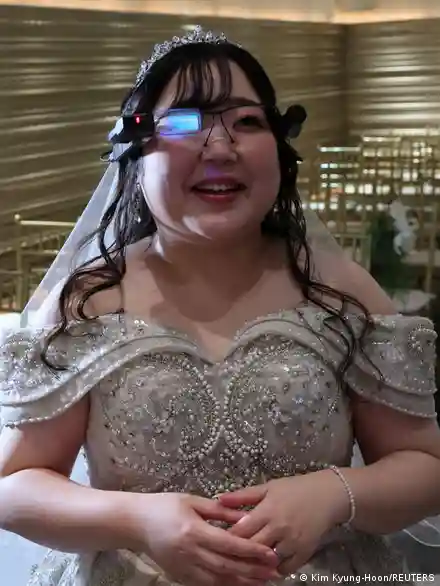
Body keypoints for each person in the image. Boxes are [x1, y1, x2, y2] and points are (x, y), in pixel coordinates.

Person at [0, 25, 439, 586]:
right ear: (135, 152)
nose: (221, 147)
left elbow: (426, 466)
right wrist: (139, 520)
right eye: (185, 122)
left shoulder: (340, 292)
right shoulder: (87, 301)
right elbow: (16, 485)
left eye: (247, 121)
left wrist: (333, 495)